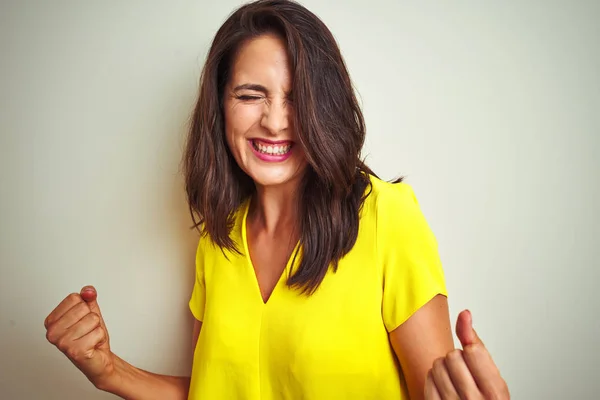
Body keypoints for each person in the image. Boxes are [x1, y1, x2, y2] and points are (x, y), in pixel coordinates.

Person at [44, 1, 510, 399]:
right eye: (251, 95)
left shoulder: (387, 217)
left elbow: (433, 390)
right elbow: (215, 390)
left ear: (325, 106)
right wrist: (108, 370)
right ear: (220, 105)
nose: (275, 121)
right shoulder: (217, 240)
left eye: (297, 98)